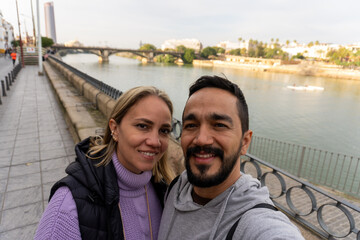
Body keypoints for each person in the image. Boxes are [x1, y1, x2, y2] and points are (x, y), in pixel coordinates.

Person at [158, 75, 304, 240]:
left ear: (244, 142)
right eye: (191, 125)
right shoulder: (177, 187)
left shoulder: (255, 222)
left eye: (219, 125)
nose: (201, 139)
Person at [34, 86, 176, 239]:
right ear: (115, 129)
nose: (155, 142)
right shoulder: (68, 204)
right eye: (142, 126)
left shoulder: (166, 190)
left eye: (164, 131)